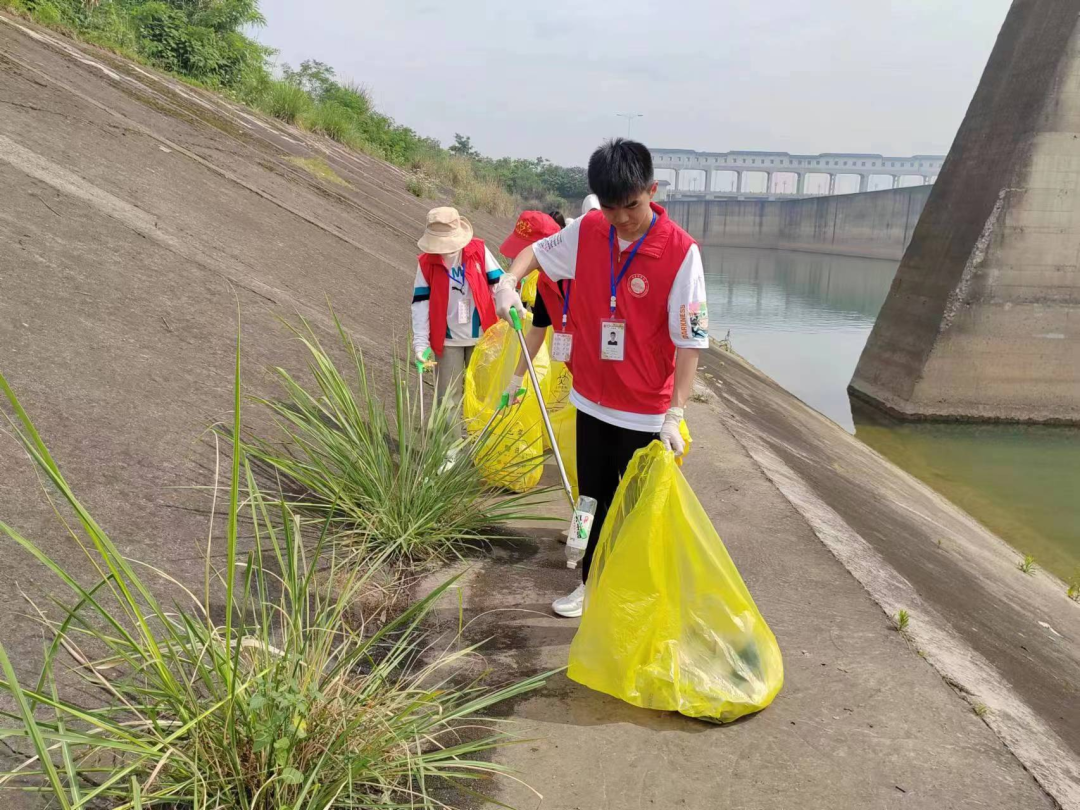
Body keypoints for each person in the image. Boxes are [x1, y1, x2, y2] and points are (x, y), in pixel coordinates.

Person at [493, 139, 709, 618]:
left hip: (646, 410)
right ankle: (589, 582)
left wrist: (676, 413)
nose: (621, 219)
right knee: (589, 499)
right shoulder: (590, 230)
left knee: (637, 509)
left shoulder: (680, 253)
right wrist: (509, 281)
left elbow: (691, 341)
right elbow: (535, 251)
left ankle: (632, 596)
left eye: (631, 205)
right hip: (591, 400)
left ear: (651, 190)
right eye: (611, 208)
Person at [502, 196, 601, 400]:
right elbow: (537, 332)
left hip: (607, 373)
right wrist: (516, 379)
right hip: (579, 376)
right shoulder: (544, 284)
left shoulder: (585, 271)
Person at [411, 207, 504, 421]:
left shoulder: (478, 250)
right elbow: (420, 303)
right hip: (447, 340)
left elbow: (498, 284)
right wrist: (420, 344)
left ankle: (481, 447)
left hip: (482, 336)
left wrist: (507, 314)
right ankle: (449, 452)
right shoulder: (426, 263)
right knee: (447, 399)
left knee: (482, 395)